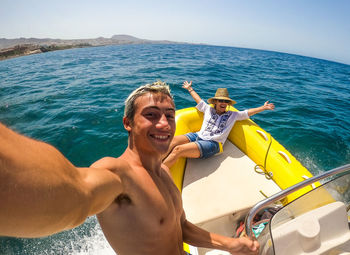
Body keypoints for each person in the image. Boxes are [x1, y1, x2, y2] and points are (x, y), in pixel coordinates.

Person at [0, 81, 259, 255]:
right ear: (128, 123)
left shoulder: (165, 172)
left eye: (169, 115)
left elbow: (181, 228)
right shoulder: (119, 176)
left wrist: (231, 244)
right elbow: (74, 194)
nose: (165, 124)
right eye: (151, 115)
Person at [163, 81, 275, 168]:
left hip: (213, 144)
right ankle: (153, 162)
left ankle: (157, 172)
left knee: (178, 149)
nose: (224, 103)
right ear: (215, 102)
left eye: (226, 101)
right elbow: (198, 100)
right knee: (171, 141)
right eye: (221, 101)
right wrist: (189, 88)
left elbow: (248, 112)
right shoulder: (207, 109)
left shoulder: (233, 115)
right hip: (197, 135)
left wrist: (264, 107)